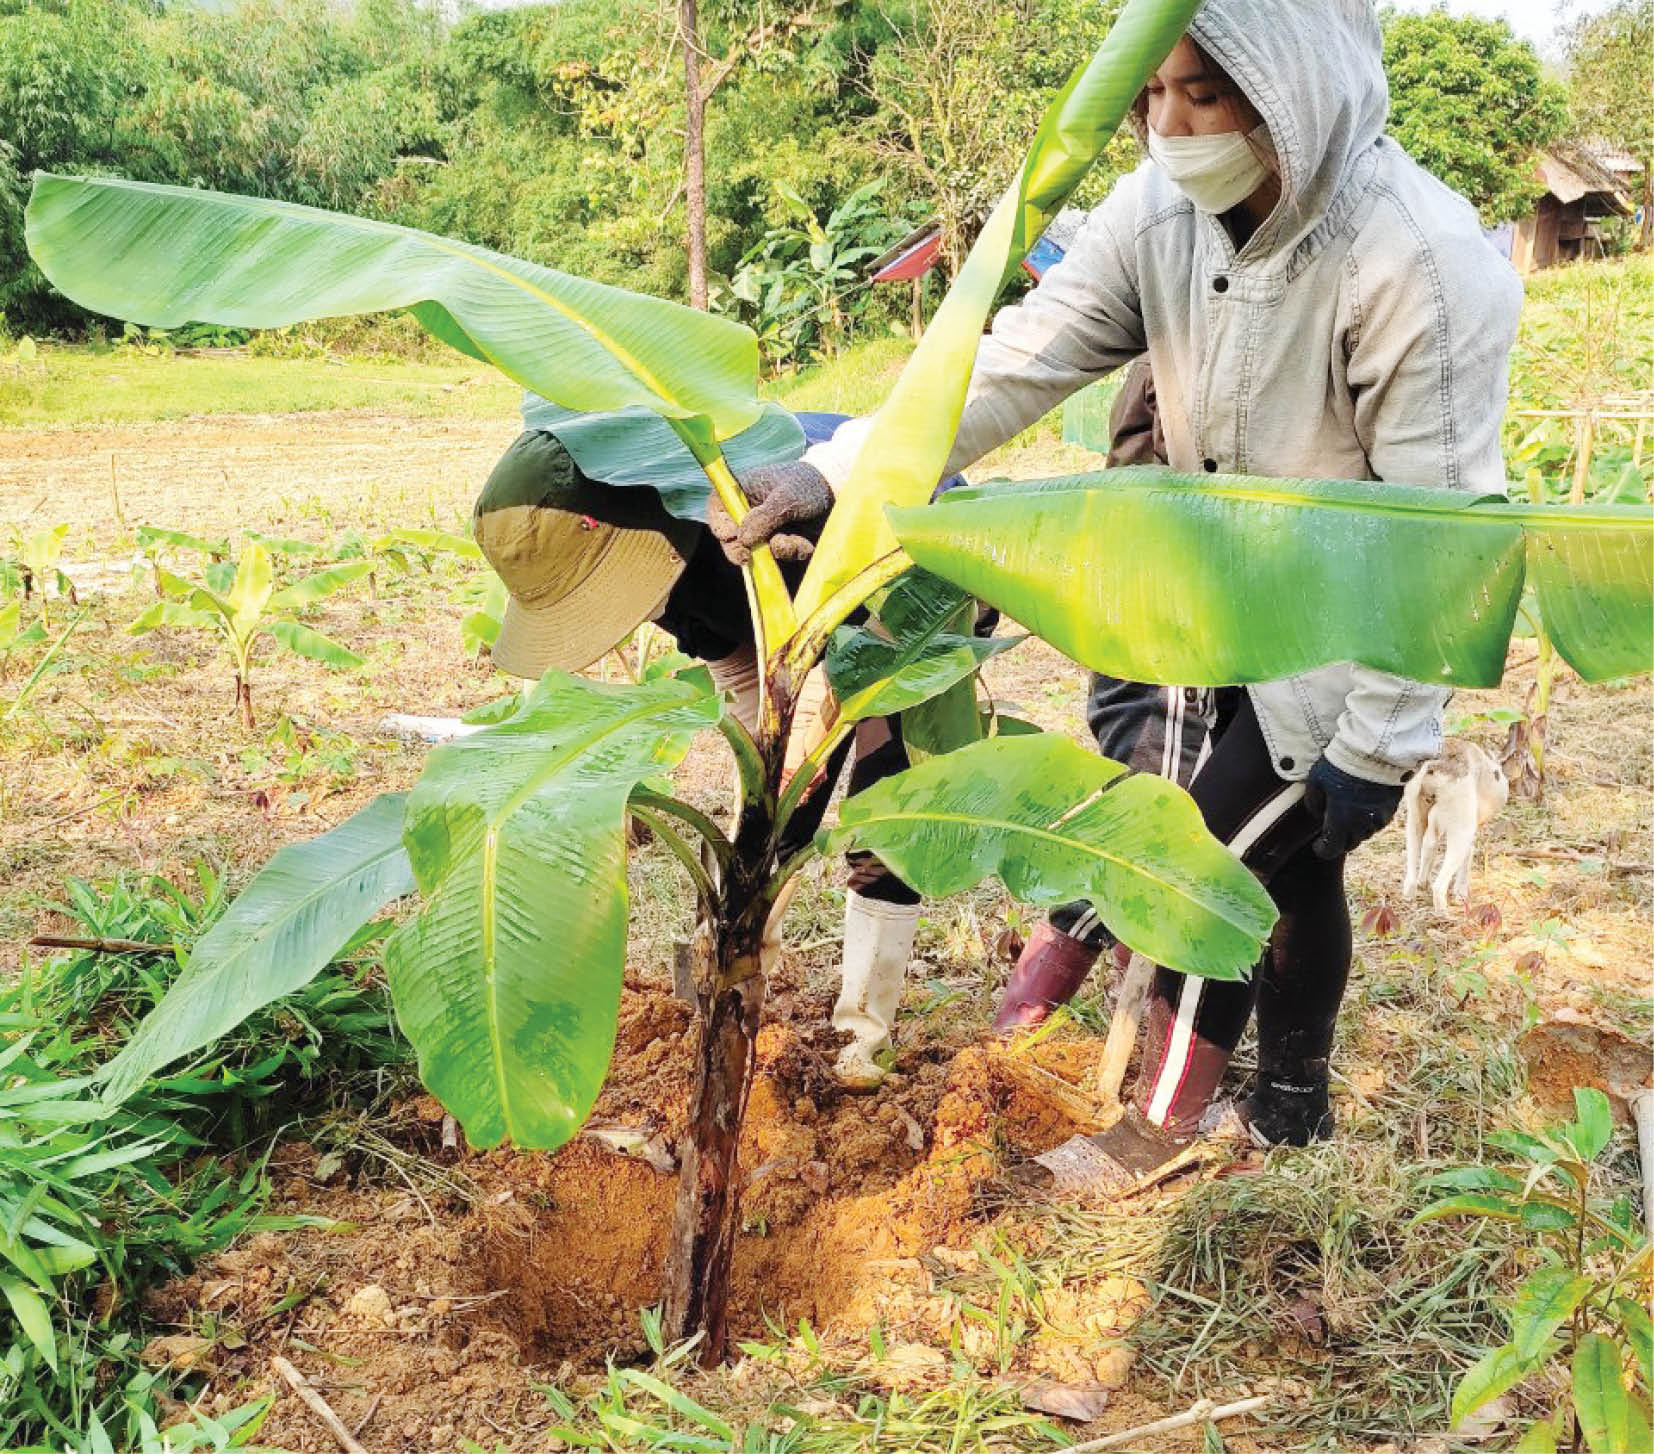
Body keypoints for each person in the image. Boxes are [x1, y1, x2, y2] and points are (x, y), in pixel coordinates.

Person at [715, 0, 1522, 1174]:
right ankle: (1295, 1102)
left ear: (1292, 88)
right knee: (1279, 863)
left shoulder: (1418, 267)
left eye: (1203, 95)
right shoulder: (1159, 210)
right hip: (1199, 596)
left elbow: (1445, 538)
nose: (1169, 125)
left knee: (1204, 862)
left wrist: (1387, 736)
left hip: (1344, 633)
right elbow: (1018, 358)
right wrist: (840, 466)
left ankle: (1160, 1125)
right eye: (1151, 96)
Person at [470, 411, 947, 1091]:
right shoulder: (659, 560)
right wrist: (761, 785)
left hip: (906, 576)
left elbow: (838, 659)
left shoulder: (764, 505)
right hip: (793, 633)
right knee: (771, 823)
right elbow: (735, 659)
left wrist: (795, 770)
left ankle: (864, 1040)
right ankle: (729, 998)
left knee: (883, 814)